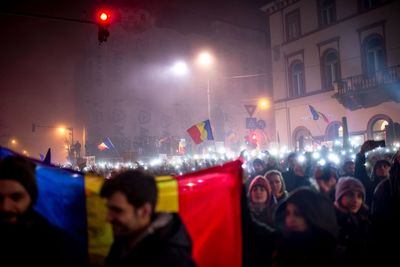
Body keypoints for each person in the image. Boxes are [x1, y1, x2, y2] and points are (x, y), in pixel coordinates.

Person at [0, 156, 85, 266]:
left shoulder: (58, 245)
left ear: (32, 197)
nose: (5, 207)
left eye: (16, 197)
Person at [100, 169, 196, 267]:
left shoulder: (173, 261)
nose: (108, 218)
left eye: (117, 210)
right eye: (109, 209)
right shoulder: (122, 243)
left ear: (145, 211)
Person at [273, 188, 339, 267]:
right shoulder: (280, 245)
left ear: (312, 215)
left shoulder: (327, 250)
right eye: (287, 213)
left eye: (298, 214)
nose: (291, 219)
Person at [334, 177, 372, 266]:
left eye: (359, 196)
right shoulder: (333, 222)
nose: (356, 200)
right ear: (340, 197)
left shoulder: (365, 218)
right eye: (350, 195)